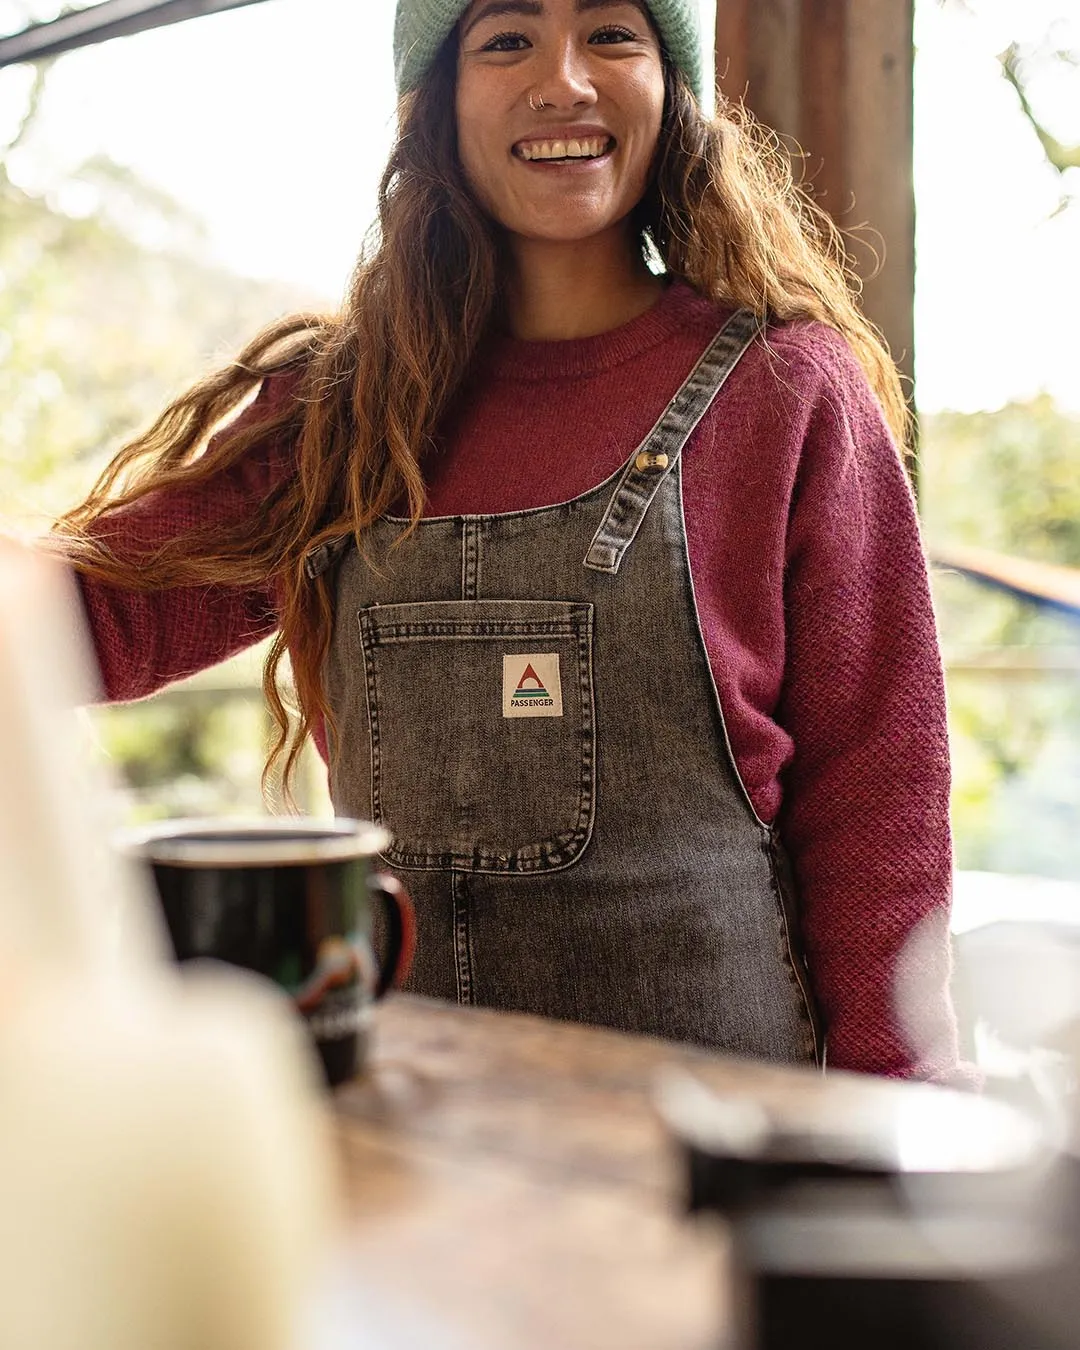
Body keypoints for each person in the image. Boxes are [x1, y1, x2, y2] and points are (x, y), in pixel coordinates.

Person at [48, 0, 965, 1080]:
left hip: (714, 1147)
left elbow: (878, 798)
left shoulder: (786, 390)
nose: (564, 81)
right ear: (434, 101)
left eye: (613, 34)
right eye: (506, 38)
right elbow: (88, 618)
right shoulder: (338, 412)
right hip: (411, 1156)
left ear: (674, 86)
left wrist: (899, 1130)